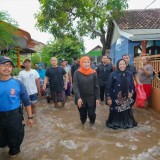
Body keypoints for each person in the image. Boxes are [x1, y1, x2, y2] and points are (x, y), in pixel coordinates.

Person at [0, 56, 33, 157]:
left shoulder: (18, 83)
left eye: (9, 65)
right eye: (4, 65)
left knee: (15, 142)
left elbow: (26, 101)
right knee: (2, 142)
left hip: (14, 116)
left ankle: (14, 152)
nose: (7, 68)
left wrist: (30, 117)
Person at [106, 59, 137, 129]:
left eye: (123, 64)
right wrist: (108, 98)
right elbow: (108, 87)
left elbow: (132, 85)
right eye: (120, 64)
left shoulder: (129, 74)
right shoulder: (113, 74)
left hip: (126, 98)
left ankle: (126, 123)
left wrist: (131, 92)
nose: (122, 66)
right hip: (115, 98)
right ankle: (116, 123)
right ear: (118, 65)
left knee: (126, 113)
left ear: (126, 65)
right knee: (116, 112)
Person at [73, 56, 100, 125]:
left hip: (92, 97)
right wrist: (78, 97)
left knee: (92, 114)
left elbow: (96, 86)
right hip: (81, 99)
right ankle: (83, 127)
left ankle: (92, 128)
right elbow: (75, 86)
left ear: (90, 63)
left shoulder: (94, 73)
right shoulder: (77, 73)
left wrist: (97, 98)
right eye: (84, 62)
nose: (86, 64)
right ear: (81, 63)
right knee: (82, 115)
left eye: (88, 62)